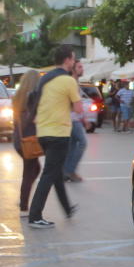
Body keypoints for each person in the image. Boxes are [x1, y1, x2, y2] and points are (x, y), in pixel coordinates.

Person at [28, 45, 82, 228]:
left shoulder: (46, 79)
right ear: (67, 60)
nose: (74, 62)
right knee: (50, 173)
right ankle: (35, 216)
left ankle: (67, 208)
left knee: (56, 171)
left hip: (43, 132)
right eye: (73, 59)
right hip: (59, 133)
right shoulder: (68, 81)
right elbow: (79, 109)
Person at [11, 70, 42, 218]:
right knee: (30, 172)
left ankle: (23, 199)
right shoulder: (32, 97)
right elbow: (33, 118)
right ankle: (24, 206)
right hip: (29, 140)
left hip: (18, 139)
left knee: (33, 170)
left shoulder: (18, 97)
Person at [63, 60, 88, 182]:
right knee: (82, 143)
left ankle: (66, 172)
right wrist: (84, 119)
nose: (82, 69)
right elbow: (74, 104)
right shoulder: (72, 82)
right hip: (73, 119)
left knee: (72, 146)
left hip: (72, 119)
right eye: (79, 67)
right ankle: (70, 171)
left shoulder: (75, 82)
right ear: (73, 70)